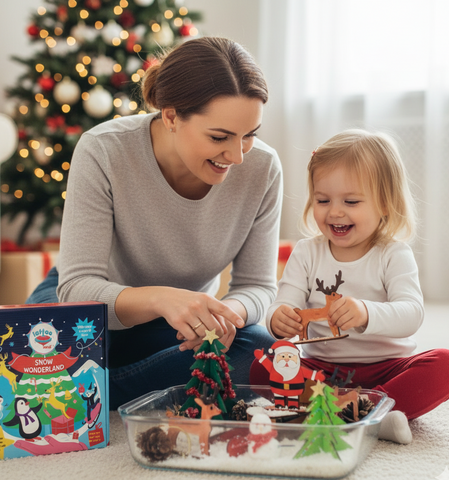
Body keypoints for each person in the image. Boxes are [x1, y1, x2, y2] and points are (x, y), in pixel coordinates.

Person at [26, 37, 283, 410]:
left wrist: (229, 316)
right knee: (57, 343)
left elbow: (258, 286)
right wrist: (162, 298)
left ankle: (85, 393)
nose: (238, 156)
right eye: (219, 137)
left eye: (250, 135)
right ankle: (95, 386)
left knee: (260, 351)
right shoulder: (103, 150)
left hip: (178, 326)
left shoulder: (263, 167)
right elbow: (78, 288)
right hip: (91, 307)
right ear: (171, 116)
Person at [252, 129, 449, 444]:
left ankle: (363, 408)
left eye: (351, 201)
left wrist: (365, 313)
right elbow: (283, 302)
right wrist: (279, 318)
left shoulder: (394, 253)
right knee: (266, 360)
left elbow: (411, 313)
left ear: (385, 204)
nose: (335, 211)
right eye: (323, 200)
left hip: (387, 369)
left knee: (444, 363)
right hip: (324, 370)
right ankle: (366, 415)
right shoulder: (306, 252)